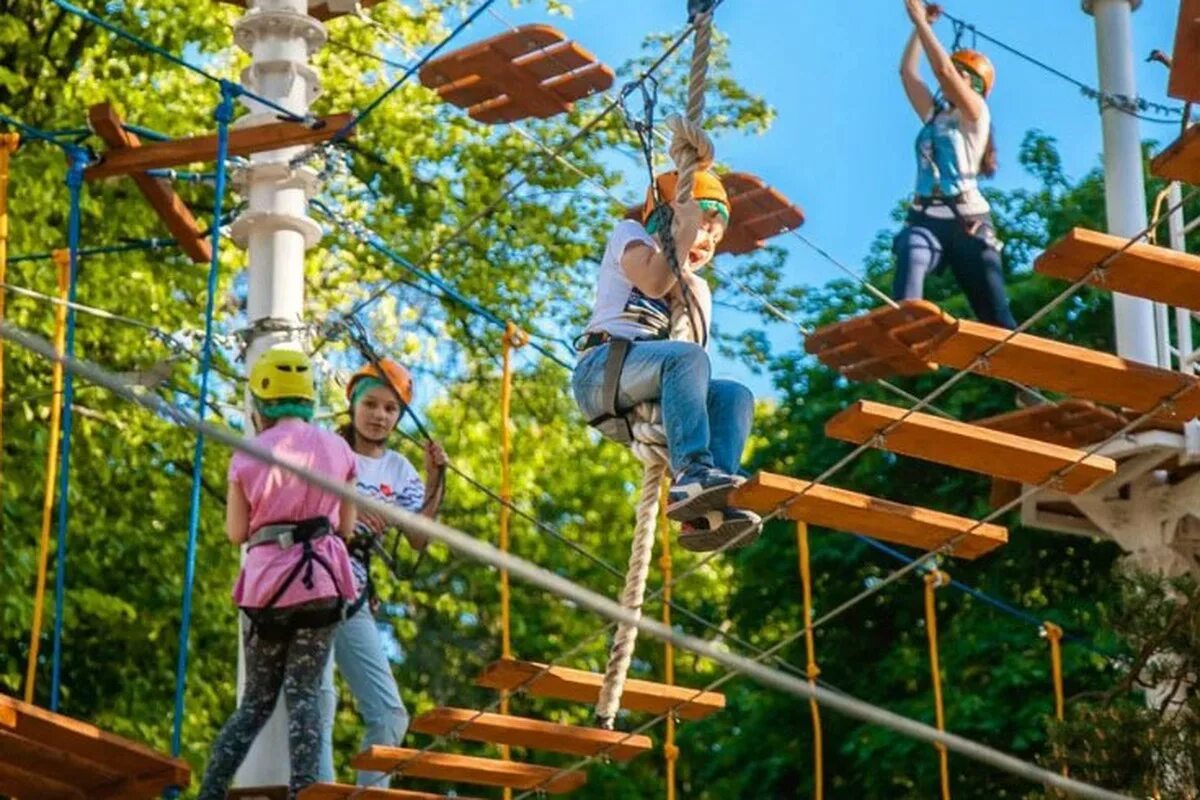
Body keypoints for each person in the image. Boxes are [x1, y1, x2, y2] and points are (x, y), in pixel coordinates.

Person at [197, 349, 359, 800]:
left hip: (267, 590)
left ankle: (210, 792)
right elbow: (345, 528)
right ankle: (304, 791)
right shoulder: (339, 449)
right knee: (304, 694)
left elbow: (235, 533)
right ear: (308, 396)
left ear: (260, 401)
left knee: (256, 702)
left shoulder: (247, 453)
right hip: (322, 584)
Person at [571, 169, 761, 553]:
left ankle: (706, 504)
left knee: (733, 395)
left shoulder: (695, 287)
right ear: (668, 215)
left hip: (645, 386)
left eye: (715, 237)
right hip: (604, 370)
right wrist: (686, 226)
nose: (706, 240)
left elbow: (694, 356)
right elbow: (655, 282)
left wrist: (692, 289)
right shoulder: (630, 236)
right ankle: (692, 470)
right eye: (704, 226)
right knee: (686, 359)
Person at [318, 358, 447, 788]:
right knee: (319, 699)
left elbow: (418, 540)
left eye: (390, 409)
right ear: (352, 406)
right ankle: (315, 788)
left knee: (391, 715)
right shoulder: (326, 450)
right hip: (313, 581)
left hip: (352, 592)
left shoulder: (398, 470)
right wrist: (351, 513)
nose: (379, 416)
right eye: (371, 404)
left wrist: (434, 481)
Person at [894, 0, 1016, 329]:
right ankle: (907, 322)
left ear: (974, 85)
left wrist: (920, 20)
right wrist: (922, 29)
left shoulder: (976, 114)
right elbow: (907, 73)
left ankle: (1022, 375)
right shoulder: (936, 117)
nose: (953, 77)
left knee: (995, 316)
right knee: (911, 246)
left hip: (968, 224)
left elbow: (944, 72)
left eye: (963, 75)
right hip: (927, 217)